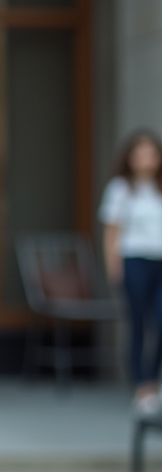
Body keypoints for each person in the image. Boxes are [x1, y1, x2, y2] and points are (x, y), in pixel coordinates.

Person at [100, 129, 162, 414]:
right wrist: (114, 268)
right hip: (134, 260)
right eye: (140, 153)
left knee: (159, 323)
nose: (146, 159)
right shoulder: (121, 189)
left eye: (151, 152)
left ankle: (153, 380)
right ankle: (141, 385)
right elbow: (112, 233)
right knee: (137, 323)